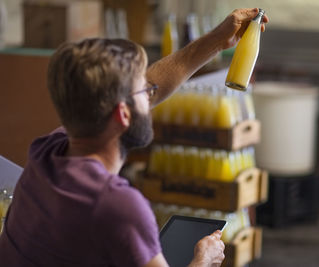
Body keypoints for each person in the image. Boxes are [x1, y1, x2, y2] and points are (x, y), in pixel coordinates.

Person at [0, 8, 268, 267]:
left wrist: (217, 41)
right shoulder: (116, 204)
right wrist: (203, 260)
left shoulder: (46, 152)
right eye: (145, 92)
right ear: (123, 114)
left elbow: (154, 82)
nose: (152, 95)